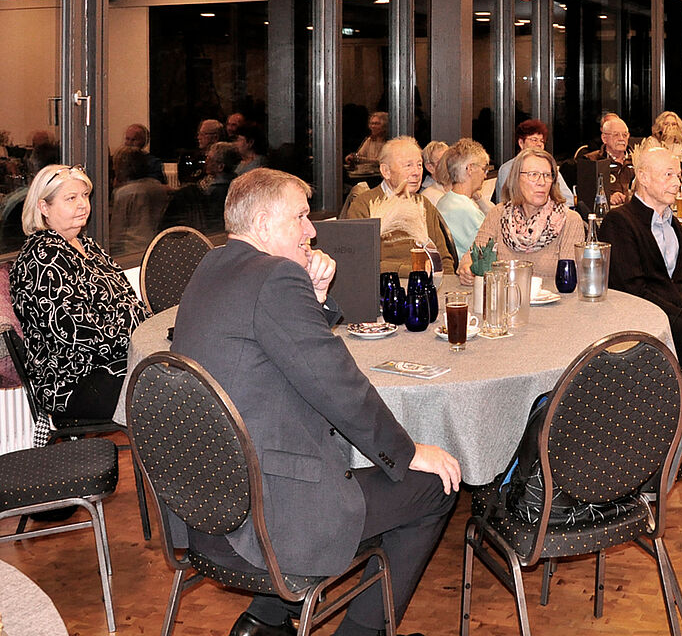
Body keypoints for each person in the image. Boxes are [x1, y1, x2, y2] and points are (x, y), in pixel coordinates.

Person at [171, 167, 459, 636]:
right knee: (432, 489)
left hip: (208, 505)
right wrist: (408, 453)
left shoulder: (214, 265)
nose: (312, 230)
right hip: (270, 514)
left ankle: (266, 618)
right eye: (301, 218)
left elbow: (280, 357)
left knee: (370, 478)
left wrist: (317, 299)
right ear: (264, 224)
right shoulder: (276, 277)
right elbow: (339, 387)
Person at [10, 164, 149, 424]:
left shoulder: (88, 246)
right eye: (71, 198)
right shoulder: (42, 257)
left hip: (110, 362)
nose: (83, 205)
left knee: (183, 374)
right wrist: (138, 336)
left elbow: (130, 301)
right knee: (170, 389)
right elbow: (76, 334)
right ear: (44, 207)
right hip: (71, 381)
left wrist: (143, 333)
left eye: (85, 196)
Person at [598, 145, 682, 369]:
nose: (677, 183)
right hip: (649, 325)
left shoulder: (673, 223)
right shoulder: (619, 222)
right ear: (643, 177)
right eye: (668, 174)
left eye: (678, 175)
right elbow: (635, 293)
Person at [459, 148, 585, 285]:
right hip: (503, 301)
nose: (541, 182)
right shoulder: (499, 214)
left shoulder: (569, 220)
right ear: (517, 179)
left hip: (551, 303)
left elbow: (570, 282)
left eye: (547, 175)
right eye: (533, 174)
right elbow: (472, 257)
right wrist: (467, 270)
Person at [345, 136, 454, 276]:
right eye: (408, 165)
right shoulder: (365, 205)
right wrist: (412, 270)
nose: (416, 172)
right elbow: (361, 261)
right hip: (387, 290)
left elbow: (443, 258)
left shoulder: (423, 204)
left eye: (419, 165)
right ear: (386, 171)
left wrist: (446, 286)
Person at [494, 119, 574, 207]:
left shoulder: (549, 167)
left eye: (542, 141)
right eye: (534, 140)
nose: (539, 144)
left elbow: (569, 200)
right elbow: (503, 203)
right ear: (521, 143)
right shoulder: (507, 169)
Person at [109, 146, 172, 254]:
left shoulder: (124, 193)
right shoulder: (158, 188)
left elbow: (116, 233)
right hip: (156, 247)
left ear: (121, 168)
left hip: (130, 251)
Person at [436, 141, 488, 257]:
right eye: (483, 169)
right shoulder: (466, 210)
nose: (485, 175)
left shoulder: (445, 201)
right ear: (470, 169)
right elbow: (490, 251)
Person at [576, 113, 635, 208]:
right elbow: (586, 196)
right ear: (604, 138)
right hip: (607, 212)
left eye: (625, 135)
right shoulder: (592, 160)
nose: (621, 139)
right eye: (616, 135)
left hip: (634, 211)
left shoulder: (637, 160)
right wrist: (607, 198)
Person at [638, 110, 682, 175]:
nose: (670, 127)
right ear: (660, 126)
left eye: (674, 124)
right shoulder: (652, 141)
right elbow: (646, 163)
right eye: (666, 124)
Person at [200, 141, 237, 231]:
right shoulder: (236, 182)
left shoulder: (218, 190)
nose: (206, 162)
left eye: (210, 159)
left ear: (220, 166)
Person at [419, 140, 449, 205]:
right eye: (442, 162)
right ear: (430, 167)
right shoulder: (427, 195)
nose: (449, 165)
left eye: (449, 159)